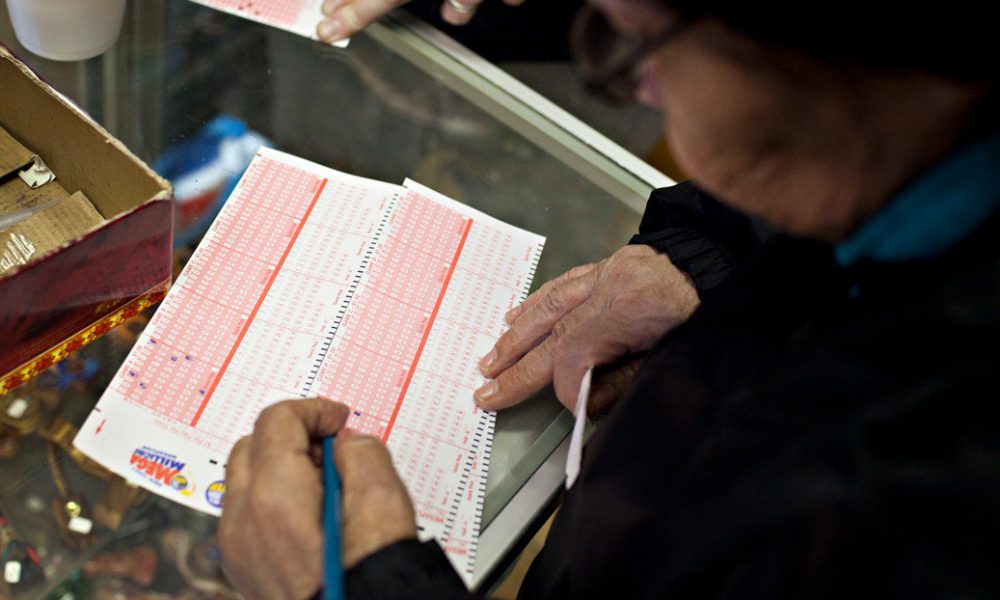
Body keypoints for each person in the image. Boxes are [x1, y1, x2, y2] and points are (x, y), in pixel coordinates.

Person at [220, 0, 1000, 597]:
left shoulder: (919, 513)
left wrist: (342, 585)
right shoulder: (917, 162)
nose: (639, 92)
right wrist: (710, 252)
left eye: (630, 46)